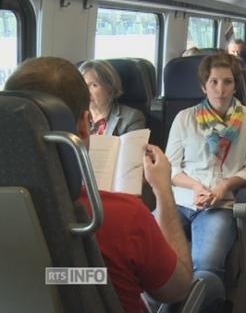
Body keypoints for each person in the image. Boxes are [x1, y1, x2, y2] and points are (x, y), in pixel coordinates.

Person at [5, 57, 193, 312]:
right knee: (210, 283)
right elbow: (177, 288)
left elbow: (49, 276)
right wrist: (163, 192)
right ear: (84, 125)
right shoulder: (122, 216)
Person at [165, 53, 246, 312]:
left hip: (221, 205)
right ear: (203, 85)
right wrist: (196, 187)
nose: (221, 89)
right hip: (181, 200)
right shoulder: (185, 118)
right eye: (214, 82)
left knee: (206, 264)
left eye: (228, 82)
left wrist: (223, 187)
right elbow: (170, 168)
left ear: (235, 84)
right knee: (149, 255)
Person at [79, 60, 146, 136]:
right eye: (83, 85)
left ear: (109, 89)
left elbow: (133, 147)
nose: (86, 91)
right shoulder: (75, 117)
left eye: (94, 85)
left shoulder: (131, 118)